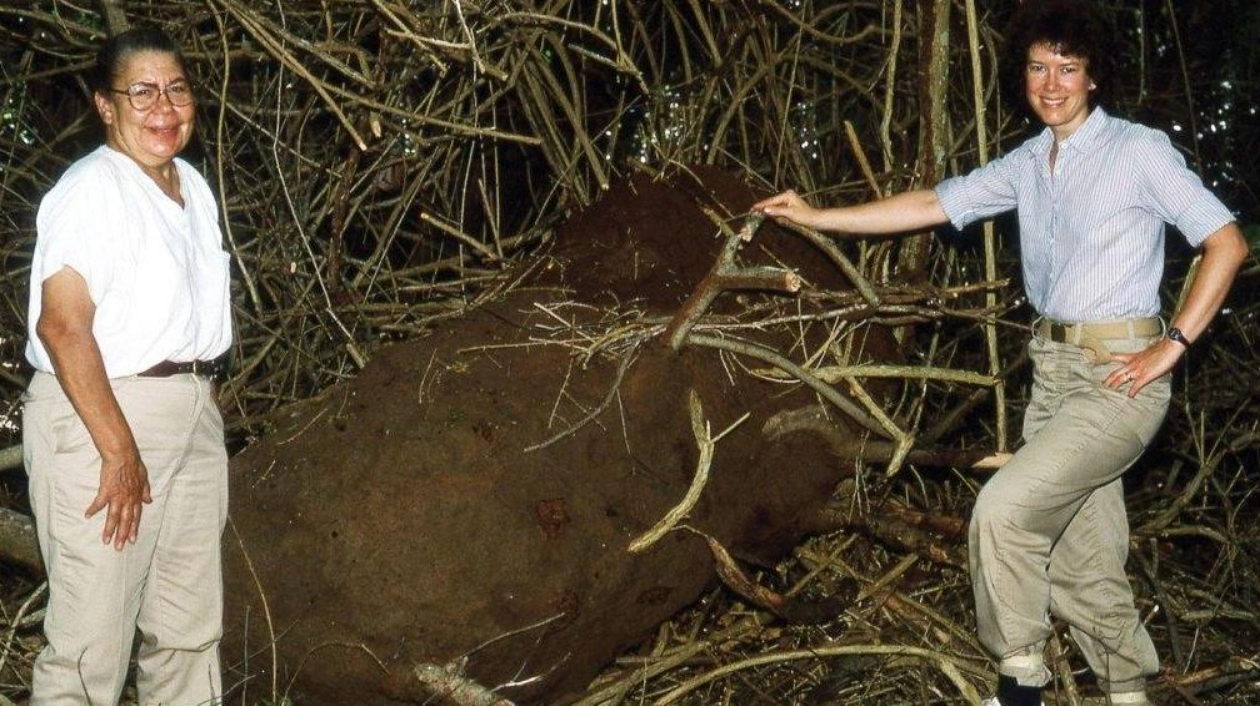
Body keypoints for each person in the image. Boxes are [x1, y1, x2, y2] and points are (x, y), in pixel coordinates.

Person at [753, 2, 1248, 706]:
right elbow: (932, 203)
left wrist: (1172, 345)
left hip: (1119, 378)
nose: (1052, 84)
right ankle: (1128, 692)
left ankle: (1020, 678)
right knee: (1084, 561)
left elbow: (1225, 242)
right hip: (1052, 377)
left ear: (1094, 77)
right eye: (1039, 67)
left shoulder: (1139, 151)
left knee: (1005, 511)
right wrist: (815, 216)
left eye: (1068, 69)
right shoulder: (1028, 162)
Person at [22, 26, 232, 706]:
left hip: (190, 412)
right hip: (101, 417)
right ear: (104, 107)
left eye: (176, 89)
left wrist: (198, 405)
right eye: (140, 92)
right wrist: (118, 449)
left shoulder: (193, 188)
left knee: (188, 632)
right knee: (91, 645)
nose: (163, 108)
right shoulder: (91, 192)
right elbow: (62, 323)